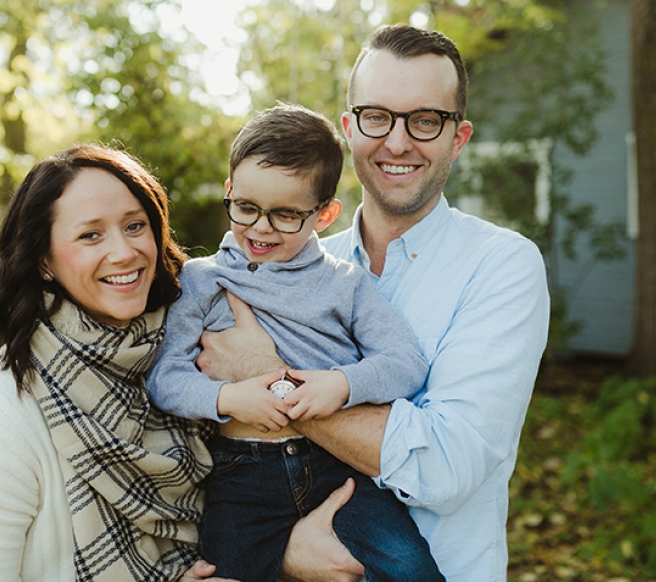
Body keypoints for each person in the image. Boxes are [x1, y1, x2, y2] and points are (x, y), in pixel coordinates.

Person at [195, 25, 551, 582]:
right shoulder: (288, 258)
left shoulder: (502, 265)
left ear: (458, 137)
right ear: (349, 129)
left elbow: (445, 465)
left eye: (426, 120)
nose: (398, 142)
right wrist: (281, 548)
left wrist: (265, 375)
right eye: (377, 117)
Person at [147, 104, 443, 582]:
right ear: (230, 193)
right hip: (242, 476)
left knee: (411, 569)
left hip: (338, 469)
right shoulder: (202, 281)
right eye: (246, 207)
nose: (261, 228)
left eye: (286, 214)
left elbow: (407, 361)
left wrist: (341, 385)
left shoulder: (346, 284)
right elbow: (166, 379)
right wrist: (229, 396)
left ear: (324, 214)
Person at [0, 144, 235, 582]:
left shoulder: (192, 360)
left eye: (135, 226)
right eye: (91, 235)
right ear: (44, 261)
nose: (124, 252)